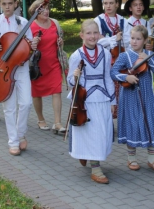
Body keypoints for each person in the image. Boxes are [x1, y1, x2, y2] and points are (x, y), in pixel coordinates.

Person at [0, 0, 39, 156]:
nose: (7, 7)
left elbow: (28, 47)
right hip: (3, 69)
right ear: (0, 4)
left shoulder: (23, 22)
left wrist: (32, 47)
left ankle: (21, 133)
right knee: (9, 107)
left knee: (26, 103)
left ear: (15, 4)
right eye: (4, 4)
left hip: (20, 68)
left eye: (10, 4)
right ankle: (13, 141)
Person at [67, 19, 115, 184]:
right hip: (85, 100)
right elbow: (70, 82)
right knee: (92, 133)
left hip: (102, 98)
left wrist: (113, 101)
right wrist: (74, 77)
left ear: (99, 34)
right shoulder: (76, 55)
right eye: (88, 33)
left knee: (103, 132)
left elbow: (108, 78)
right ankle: (96, 168)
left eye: (95, 33)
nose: (92, 36)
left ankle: (86, 154)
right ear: (82, 35)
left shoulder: (106, 53)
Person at [111, 25, 154, 172]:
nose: (134, 41)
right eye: (132, 38)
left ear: (145, 40)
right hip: (130, 96)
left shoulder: (149, 54)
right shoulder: (125, 56)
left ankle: (152, 159)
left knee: (150, 123)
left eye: (138, 39)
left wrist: (149, 58)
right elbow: (113, 72)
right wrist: (126, 76)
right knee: (132, 124)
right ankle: (131, 158)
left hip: (147, 96)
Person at [28, 0, 65, 134]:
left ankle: (57, 122)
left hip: (53, 63)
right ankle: (41, 119)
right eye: (42, 9)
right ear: (35, 11)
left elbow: (59, 43)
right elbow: (26, 48)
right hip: (37, 66)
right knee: (37, 93)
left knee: (57, 91)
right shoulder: (31, 26)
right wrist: (32, 44)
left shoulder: (55, 23)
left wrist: (61, 42)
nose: (46, 11)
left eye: (47, 9)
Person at [94, 0, 125, 118]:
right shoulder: (98, 20)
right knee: (106, 87)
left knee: (120, 90)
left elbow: (127, 41)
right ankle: (106, 120)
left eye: (111, 3)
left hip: (119, 58)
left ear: (117, 4)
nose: (108, 6)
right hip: (104, 58)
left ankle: (120, 119)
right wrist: (114, 39)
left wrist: (107, 39)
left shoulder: (123, 20)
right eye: (105, 3)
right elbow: (96, 41)